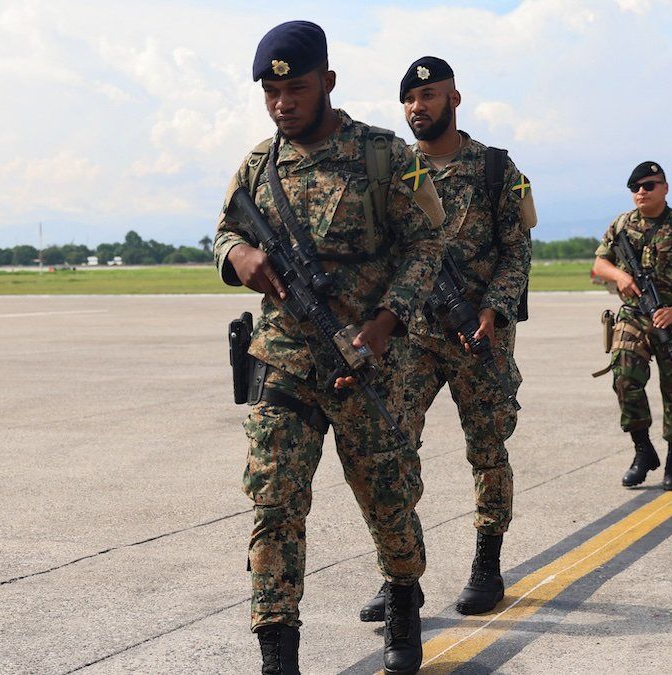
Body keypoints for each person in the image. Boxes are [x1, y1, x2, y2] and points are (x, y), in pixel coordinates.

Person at [213, 21, 445, 675]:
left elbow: (429, 245)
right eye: (271, 90)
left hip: (368, 359)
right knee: (274, 500)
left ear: (328, 84)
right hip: (286, 357)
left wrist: (387, 319)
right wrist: (242, 256)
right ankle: (277, 650)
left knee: (387, 496)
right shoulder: (259, 165)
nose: (283, 102)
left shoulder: (381, 156)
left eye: (297, 88)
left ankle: (403, 598)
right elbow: (225, 232)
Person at [357, 56, 535, 624]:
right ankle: (398, 573)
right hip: (410, 335)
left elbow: (517, 250)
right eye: (409, 98)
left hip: (477, 335)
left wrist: (495, 308)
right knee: (390, 450)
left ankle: (486, 563)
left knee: (487, 451)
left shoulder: (496, 169)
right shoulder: (392, 171)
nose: (418, 107)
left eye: (429, 95)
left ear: (454, 99)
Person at [592, 162, 672, 491]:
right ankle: (643, 451)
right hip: (634, 314)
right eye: (635, 188)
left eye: (648, 185)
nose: (641, 192)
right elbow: (600, 263)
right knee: (624, 377)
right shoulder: (622, 224)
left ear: (665, 187)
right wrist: (621, 275)